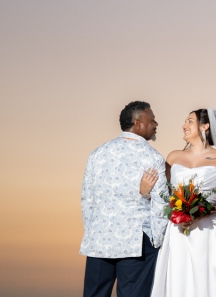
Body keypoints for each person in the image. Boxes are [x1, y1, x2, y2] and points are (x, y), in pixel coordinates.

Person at [149, 108, 216, 297]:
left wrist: (201, 212)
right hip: (178, 229)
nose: (183, 126)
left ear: (205, 126)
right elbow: (166, 193)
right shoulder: (173, 157)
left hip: (209, 228)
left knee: (210, 278)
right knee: (179, 277)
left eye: (189, 121)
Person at [81, 101, 169, 297]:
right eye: (152, 120)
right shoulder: (152, 157)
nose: (156, 124)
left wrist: (92, 231)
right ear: (137, 123)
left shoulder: (97, 153)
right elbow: (162, 203)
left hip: (99, 239)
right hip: (137, 241)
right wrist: (158, 241)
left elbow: (87, 199)